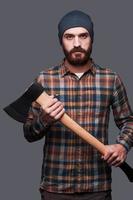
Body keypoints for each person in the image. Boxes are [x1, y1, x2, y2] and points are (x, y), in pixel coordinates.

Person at [23, 10, 133, 200]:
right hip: (55, 187)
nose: (76, 43)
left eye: (83, 36)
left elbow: (129, 122)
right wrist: (44, 119)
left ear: (92, 38)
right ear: (61, 40)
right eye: (69, 36)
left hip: (97, 186)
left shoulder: (110, 79)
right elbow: (29, 133)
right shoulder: (45, 79)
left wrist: (122, 146)